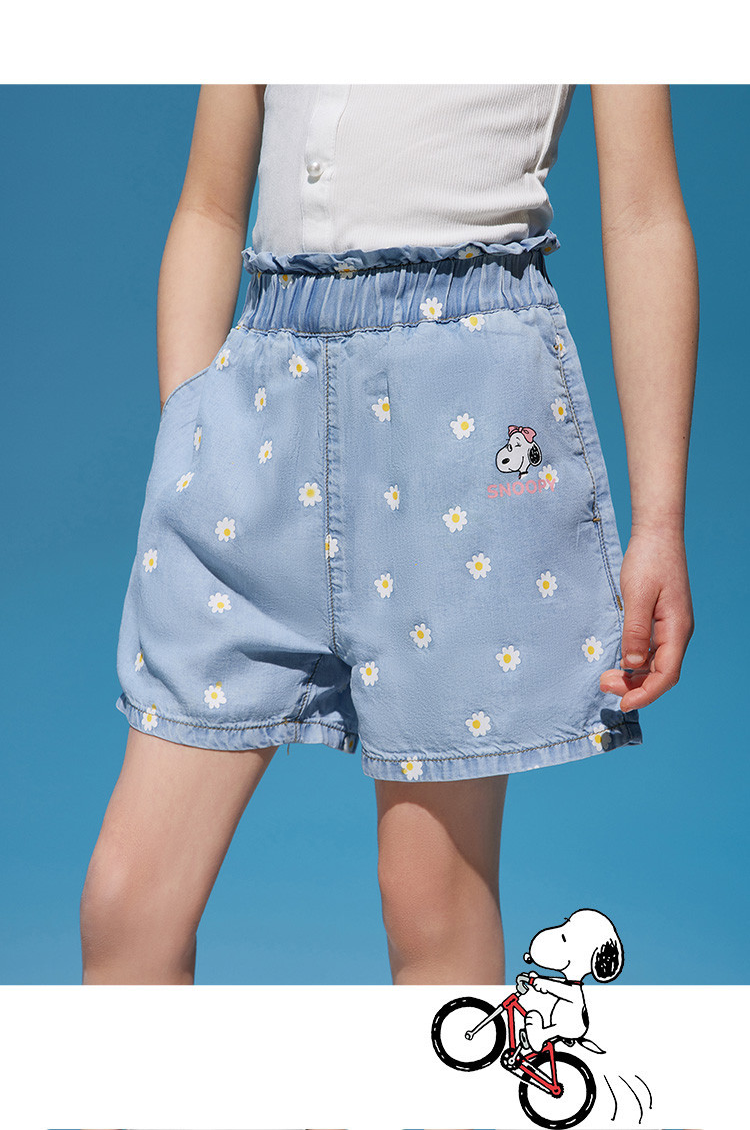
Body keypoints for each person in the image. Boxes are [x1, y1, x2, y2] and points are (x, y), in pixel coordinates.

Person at [80, 84, 697, 987]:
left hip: (461, 417)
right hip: (255, 414)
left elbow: (644, 213)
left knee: (429, 896)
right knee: (127, 900)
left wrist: (661, 522)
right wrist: (188, 424)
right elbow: (210, 203)